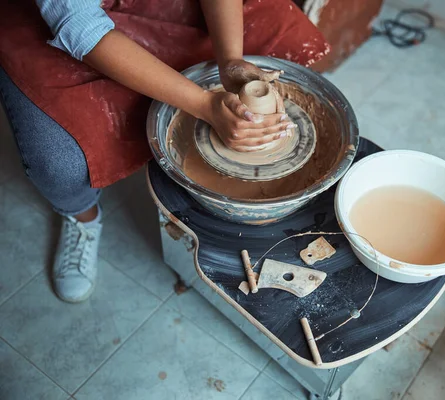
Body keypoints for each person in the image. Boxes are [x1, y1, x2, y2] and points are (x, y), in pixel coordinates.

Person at [0, 0, 329, 303]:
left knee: (283, 37)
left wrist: (230, 62)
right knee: (59, 160)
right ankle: (81, 216)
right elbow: (79, 25)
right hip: (52, 22)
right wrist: (203, 104)